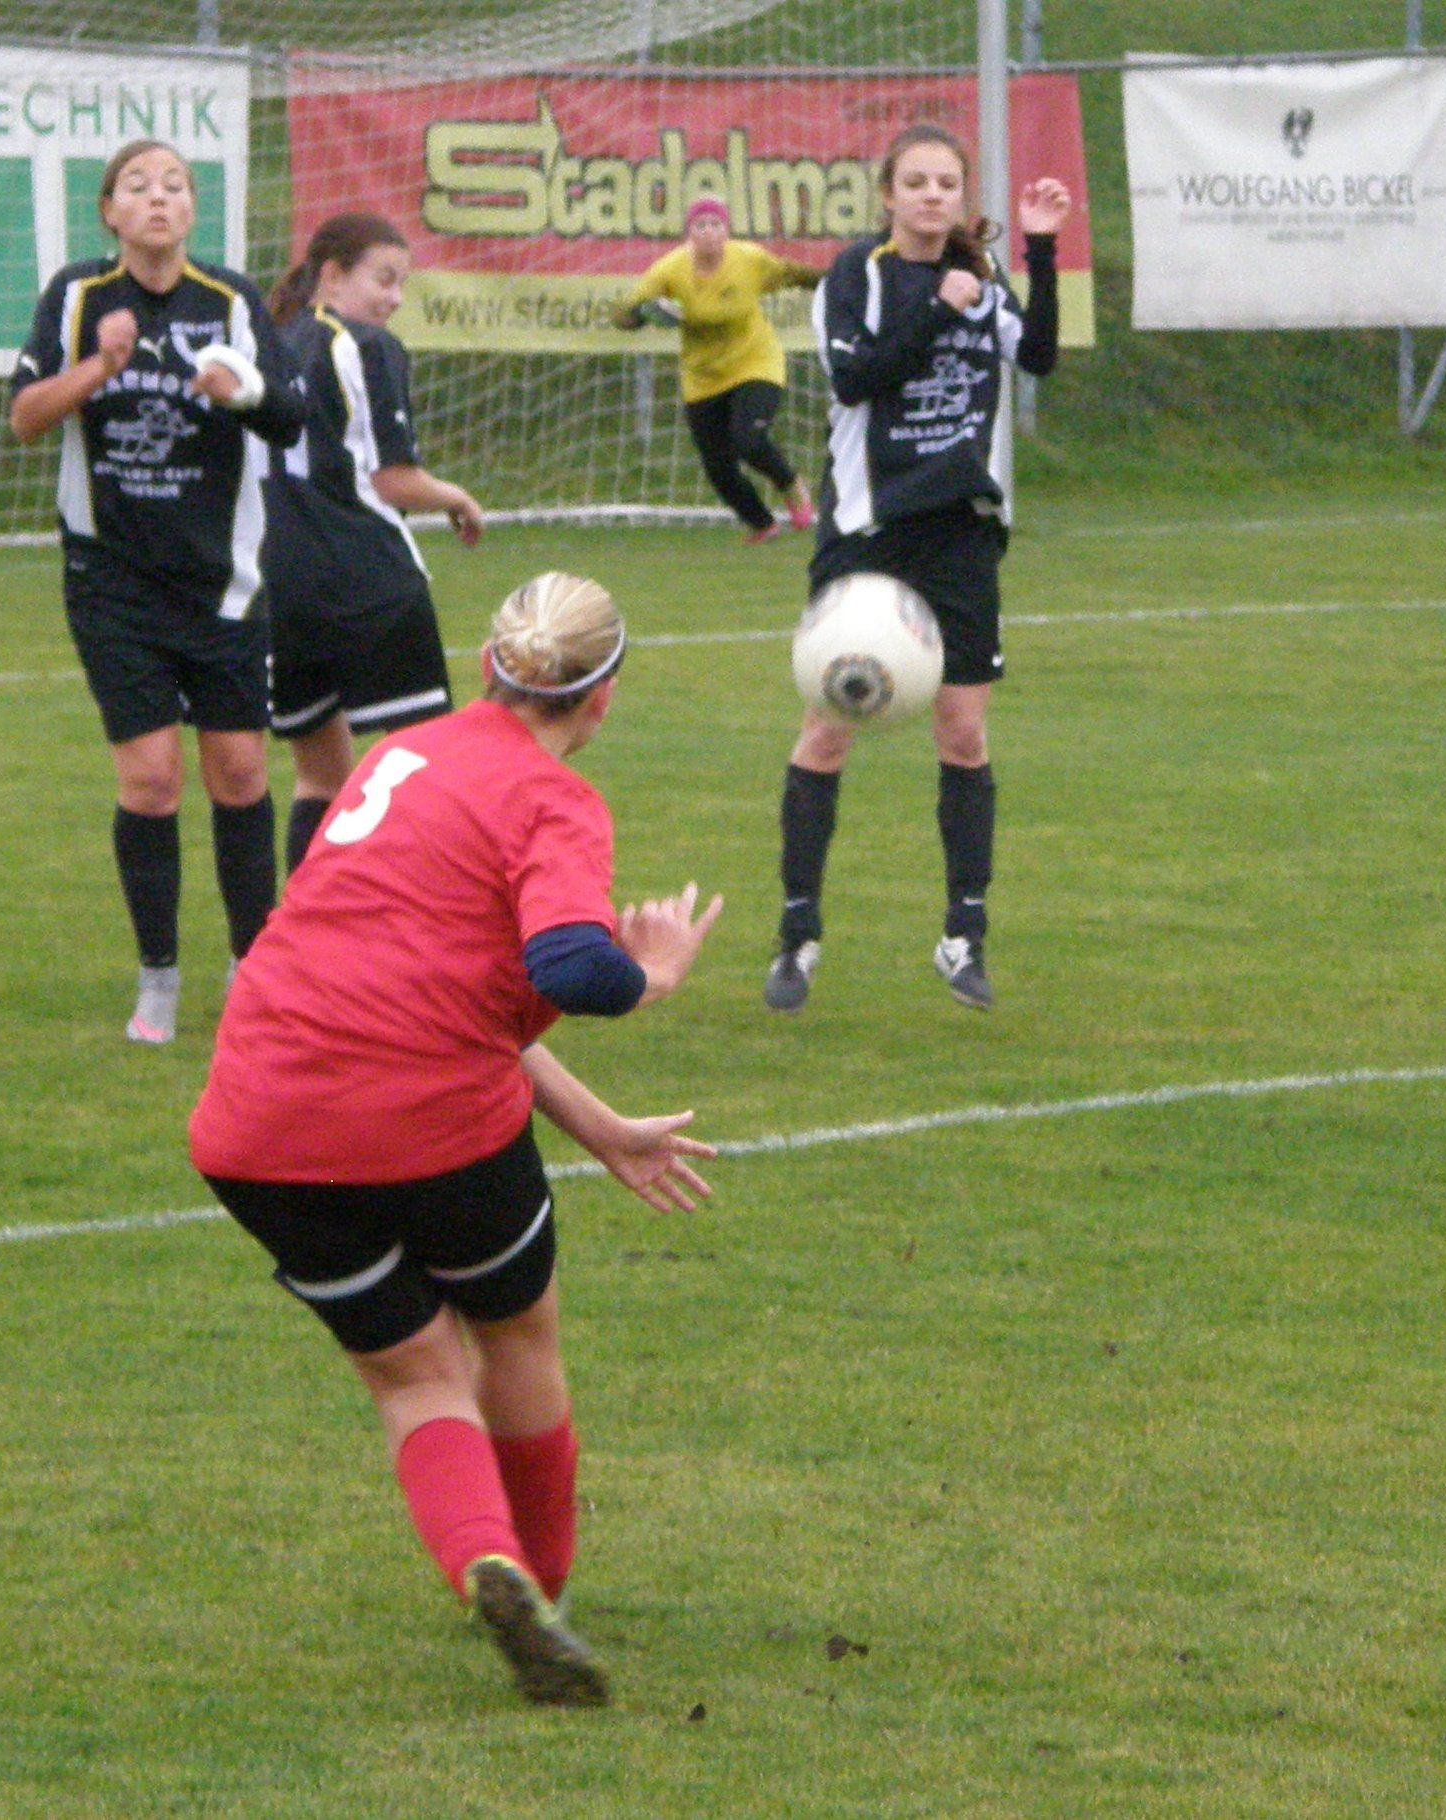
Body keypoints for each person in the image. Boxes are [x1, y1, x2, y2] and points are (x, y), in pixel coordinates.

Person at [189, 572, 721, 1708]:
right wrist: (655, 972)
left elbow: (423, 984)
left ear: (488, 667)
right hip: (428, 1117)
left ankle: (486, 1562)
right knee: (515, 1332)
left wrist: (601, 1129)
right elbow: (571, 965)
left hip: (257, 1121)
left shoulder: (396, 757)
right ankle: (544, 1583)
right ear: (602, 696)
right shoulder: (553, 800)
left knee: (413, 1374)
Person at [765, 128, 1071, 1014]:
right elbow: (856, 377)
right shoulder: (856, 274)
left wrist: (1039, 251)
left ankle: (963, 936)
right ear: (888, 195)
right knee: (828, 730)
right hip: (869, 535)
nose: (932, 194)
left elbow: (1037, 355)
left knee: (963, 734)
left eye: (945, 182)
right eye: (916, 181)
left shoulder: (982, 276)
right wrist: (939, 308)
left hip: (960, 535)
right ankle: (797, 936)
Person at [9, 140, 308, 1045]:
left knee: (240, 773)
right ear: (109, 211)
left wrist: (240, 392)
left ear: (191, 210)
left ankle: (252, 970)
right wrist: (98, 369)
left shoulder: (230, 302)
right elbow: (24, 417)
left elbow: (291, 415)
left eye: (174, 185)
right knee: (150, 782)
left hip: (223, 584)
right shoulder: (76, 297)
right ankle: (158, 981)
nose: (157, 199)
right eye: (137, 186)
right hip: (112, 583)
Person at [262, 213, 485, 875]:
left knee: (319, 778)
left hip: (284, 586)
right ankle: (419, 915)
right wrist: (458, 497)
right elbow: (393, 481)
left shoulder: (274, 342)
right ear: (332, 275)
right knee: (426, 767)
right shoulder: (366, 345)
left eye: (402, 284)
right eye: (384, 279)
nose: (394, 298)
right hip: (367, 580)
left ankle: (304, 923)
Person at [612, 197, 824, 544]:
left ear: (727, 231)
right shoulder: (670, 269)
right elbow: (623, 311)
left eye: (716, 225)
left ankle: (790, 485)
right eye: (701, 226)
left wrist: (840, 278)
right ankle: (761, 523)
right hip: (703, 377)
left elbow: (793, 274)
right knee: (717, 466)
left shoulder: (749, 260)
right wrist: (641, 315)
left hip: (755, 361)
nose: (709, 232)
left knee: (749, 440)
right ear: (689, 233)